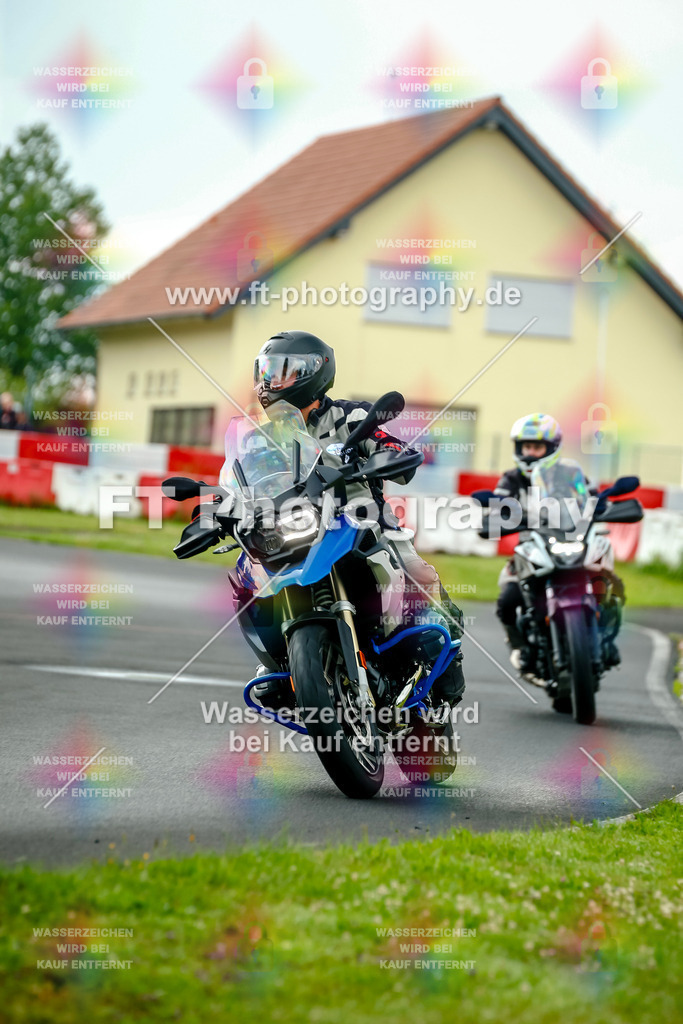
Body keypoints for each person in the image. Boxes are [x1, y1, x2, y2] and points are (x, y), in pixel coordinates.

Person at [250, 329, 465, 707]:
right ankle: (285, 661)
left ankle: (449, 652)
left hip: (363, 521)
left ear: (315, 372)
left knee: (422, 576)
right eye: (268, 370)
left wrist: (390, 451)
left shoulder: (350, 416)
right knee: (253, 580)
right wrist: (217, 506)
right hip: (295, 530)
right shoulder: (260, 439)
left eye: (284, 370)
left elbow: (384, 442)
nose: (273, 380)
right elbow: (243, 481)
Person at [494, 413, 624, 677]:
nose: (530, 453)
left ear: (552, 448)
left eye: (537, 446)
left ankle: (607, 640)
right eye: (525, 446)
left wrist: (604, 506)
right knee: (508, 597)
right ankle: (521, 648)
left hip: (572, 540)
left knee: (612, 583)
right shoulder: (511, 479)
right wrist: (497, 515)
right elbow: (498, 506)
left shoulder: (571, 474)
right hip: (532, 548)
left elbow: (594, 498)